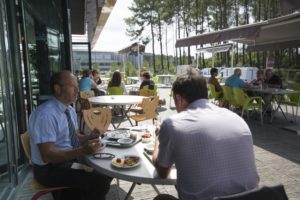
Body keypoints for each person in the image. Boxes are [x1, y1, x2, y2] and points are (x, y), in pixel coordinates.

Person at [152, 68, 259, 200]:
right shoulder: (238, 119)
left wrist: (158, 140)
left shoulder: (172, 124)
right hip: (252, 197)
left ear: (179, 99)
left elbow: (163, 172)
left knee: (161, 198)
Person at [29, 71, 112, 200]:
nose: (77, 90)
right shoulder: (46, 115)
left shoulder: (69, 109)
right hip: (49, 170)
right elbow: (47, 155)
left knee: (107, 167)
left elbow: (74, 137)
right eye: (73, 86)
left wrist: (89, 137)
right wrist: (82, 151)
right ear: (57, 89)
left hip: (68, 160)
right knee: (100, 181)